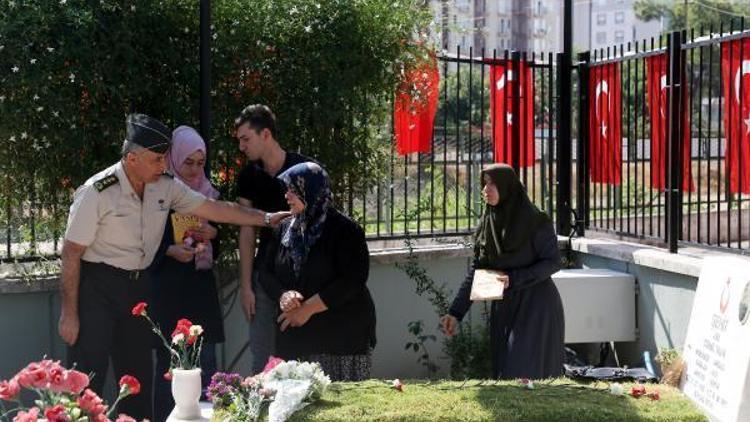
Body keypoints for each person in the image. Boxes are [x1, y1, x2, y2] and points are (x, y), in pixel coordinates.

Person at [59, 114, 289, 420]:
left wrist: (265, 218)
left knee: (136, 379)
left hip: (137, 291)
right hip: (97, 289)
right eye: (156, 160)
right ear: (132, 158)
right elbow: (72, 252)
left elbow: (214, 208)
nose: (164, 167)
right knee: (86, 380)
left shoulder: (164, 186)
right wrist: (69, 313)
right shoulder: (98, 191)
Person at [440, 164, 564, 380]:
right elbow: (479, 270)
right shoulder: (489, 224)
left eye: (492, 184)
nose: (485, 190)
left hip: (536, 306)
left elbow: (553, 262)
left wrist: (514, 278)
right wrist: (456, 313)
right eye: (484, 184)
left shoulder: (536, 220)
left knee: (525, 372)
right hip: (506, 307)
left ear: (507, 188)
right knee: (507, 372)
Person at [257, 162, 376, 381]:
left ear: (311, 190)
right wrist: (283, 295)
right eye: (287, 190)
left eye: (294, 190)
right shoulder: (284, 229)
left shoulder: (344, 230)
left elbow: (353, 280)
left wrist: (308, 309)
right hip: (297, 340)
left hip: (340, 338)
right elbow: (265, 272)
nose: (287, 196)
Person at [149, 126, 225, 422]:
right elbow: (141, 244)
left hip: (199, 291)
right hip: (168, 293)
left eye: (200, 163)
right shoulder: (158, 194)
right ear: (174, 159)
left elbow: (214, 249)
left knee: (205, 363)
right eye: (188, 162)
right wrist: (170, 250)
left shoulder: (207, 192)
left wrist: (213, 232)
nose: (195, 170)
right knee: (169, 370)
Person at [234, 104, 316, 374]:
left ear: (265, 134)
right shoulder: (248, 175)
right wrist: (246, 286)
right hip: (265, 275)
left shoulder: (303, 168)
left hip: (299, 274)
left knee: (301, 355)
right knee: (262, 359)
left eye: (246, 139)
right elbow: (246, 229)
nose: (242, 147)